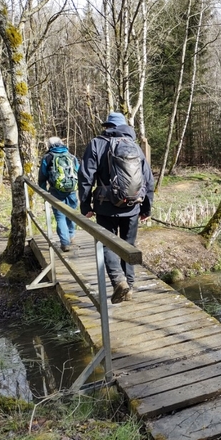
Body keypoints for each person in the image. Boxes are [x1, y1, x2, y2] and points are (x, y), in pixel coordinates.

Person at [78, 112, 155, 304]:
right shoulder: (135, 146)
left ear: (108, 126)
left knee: (108, 244)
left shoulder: (97, 143)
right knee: (128, 246)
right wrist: (147, 208)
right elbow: (148, 178)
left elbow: (86, 177)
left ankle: (119, 281)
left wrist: (86, 205)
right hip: (132, 205)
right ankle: (129, 284)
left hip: (105, 206)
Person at [38, 136, 80, 252]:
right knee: (72, 213)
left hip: (56, 191)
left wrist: (44, 193)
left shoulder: (47, 157)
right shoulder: (71, 156)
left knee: (60, 216)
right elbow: (79, 172)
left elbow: (42, 177)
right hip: (71, 190)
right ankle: (71, 236)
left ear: (49, 145)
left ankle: (65, 243)